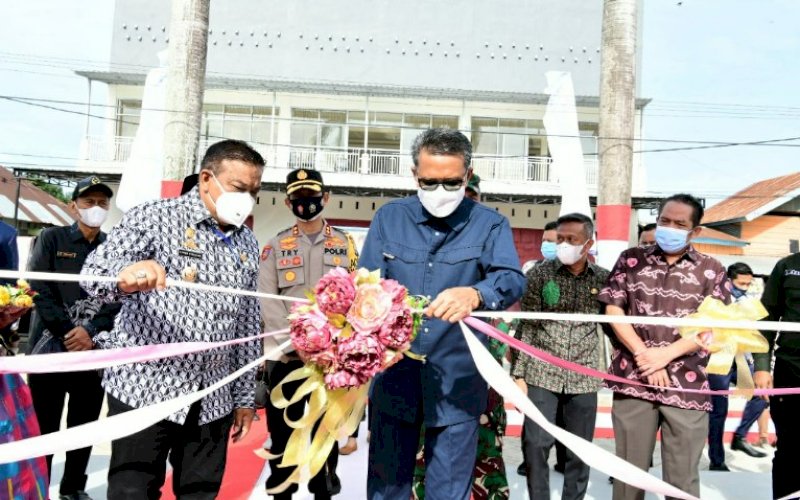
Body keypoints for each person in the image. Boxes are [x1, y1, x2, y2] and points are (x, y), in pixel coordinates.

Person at [80, 139, 264, 499]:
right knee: (132, 491)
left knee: (200, 492)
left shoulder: (246, 243)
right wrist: (127, 274)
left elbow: (247, 325)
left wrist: (243, 398)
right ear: (207, 178)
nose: (247, 199)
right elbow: (93, 275)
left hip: (213, 396)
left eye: (254, 192)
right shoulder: (154, 217)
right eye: (240, 189)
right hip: (145, 388)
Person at [359, 128, 526, 500]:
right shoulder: (390, 218)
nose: (439, 192)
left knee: (448, 490)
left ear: (468, 175)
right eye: (429, 182)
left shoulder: (490, 224)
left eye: (450, 182)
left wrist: (476, 292)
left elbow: (511, 280)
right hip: (394, 375)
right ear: (414, 174)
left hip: (457, 380)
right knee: (387, 487)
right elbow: (365, 285)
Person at [598, 193, 731, 500]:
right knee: (628, 477)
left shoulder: (712, 270)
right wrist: (644, 355)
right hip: (634, 379)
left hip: (687, 384)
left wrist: (665, 355)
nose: (670, 228)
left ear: (695, 230)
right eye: (664, 221)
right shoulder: (631, 259)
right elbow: (613, 309)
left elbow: (714, 326)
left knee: (681, 480)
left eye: (680, 223)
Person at [258, 168, 357, 499]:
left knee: (325, 433)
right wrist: (298, 343)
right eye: (298, 199)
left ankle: (323, 491)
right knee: (283, 434)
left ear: (325, 198)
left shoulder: (345, 244)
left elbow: (358, 296)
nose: (306, 204)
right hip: (286, 357)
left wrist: (333, 345)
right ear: (288, 202)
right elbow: (268, 301)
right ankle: (282, 493)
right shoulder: (275, 246)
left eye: (312, 197)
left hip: (330, 362)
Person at [412, 172, 511, 500]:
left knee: (484, 450)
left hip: (479, 372)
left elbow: (506, 287)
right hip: (430, 371)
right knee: (424, 455)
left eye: (471, 197)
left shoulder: (492, 238)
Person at [26, 176, 121, 500]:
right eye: (88, 201)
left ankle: (73, 489)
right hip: (50, 350)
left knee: (85, 425)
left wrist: (90, 332)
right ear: (73, 205)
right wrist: (69, 332)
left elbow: (117, 298)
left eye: (102, 202)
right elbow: (39, 288)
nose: (96, 208)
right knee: (45, 426)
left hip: (92, 352)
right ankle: (38, 488)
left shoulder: (113, 248)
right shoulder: (51, 239)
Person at [512, 213, 609, 500]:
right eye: (560, 239)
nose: (564, 245)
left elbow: (614, 328)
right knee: (535, 443)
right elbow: (526, 326)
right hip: (541, 373)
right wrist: (518, 374)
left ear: (588, 243)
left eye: (571, 240)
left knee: (580, 450)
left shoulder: (603, 279)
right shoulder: (539, 274)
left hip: (584, 377)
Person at [707, 262, 768, 471]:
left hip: (741, 358)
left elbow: (759, 327)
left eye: (748, 284)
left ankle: (740, 436)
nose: (744, 287)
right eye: (741, 283)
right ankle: (717, 460)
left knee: (762, 395)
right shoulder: (714, 299)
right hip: (719, 358)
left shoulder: (748, 301)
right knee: (718, 411)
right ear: (728, 281)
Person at [754, 251, 800, 499]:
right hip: (792, 369)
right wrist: (761, 366)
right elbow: (766, 317)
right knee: (790, 449)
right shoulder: (787, 266)